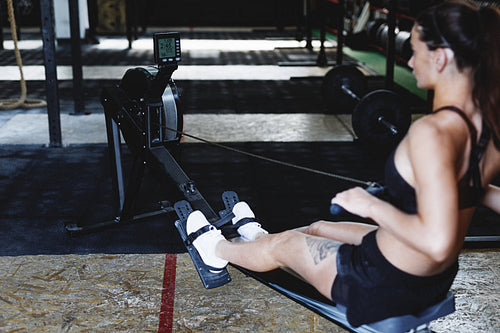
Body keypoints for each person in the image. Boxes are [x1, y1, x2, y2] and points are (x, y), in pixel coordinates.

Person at [183, 0, 500, 327]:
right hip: (433, 277)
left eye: (415, 49)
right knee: (319, 229)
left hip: (384, 283)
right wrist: (477, 190)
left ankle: (216, 250)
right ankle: (256, 239)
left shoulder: (431, 133)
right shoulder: (486, 127)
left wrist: (368, 205)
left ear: (440, 57)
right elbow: (471, 189)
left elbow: (436, 242)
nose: (409, 59)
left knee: (286, 245)